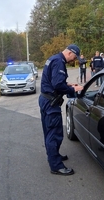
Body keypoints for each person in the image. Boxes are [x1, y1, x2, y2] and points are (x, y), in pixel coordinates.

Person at [38, 44, 83, 176]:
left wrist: (68, 84)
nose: (74, 60)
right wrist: (73, 89)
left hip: (44, 100)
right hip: (51, 104)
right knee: (55, 135)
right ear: (70, 53)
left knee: (48, 132)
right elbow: (57, 85)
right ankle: (56, 166)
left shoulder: (53, 58)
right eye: (74, 57)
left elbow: (54, 80)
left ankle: (53, 155)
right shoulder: (59, 62)